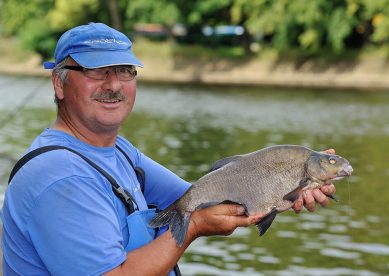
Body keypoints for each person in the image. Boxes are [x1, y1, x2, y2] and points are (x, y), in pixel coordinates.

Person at [1, 22, 337, 275]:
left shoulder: (120, 152)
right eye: (95, 70)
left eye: (125, 71)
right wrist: (191, 228)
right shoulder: (59, 177)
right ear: (59, 83)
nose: (114, 84)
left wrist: (292, 182)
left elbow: (208, 200)